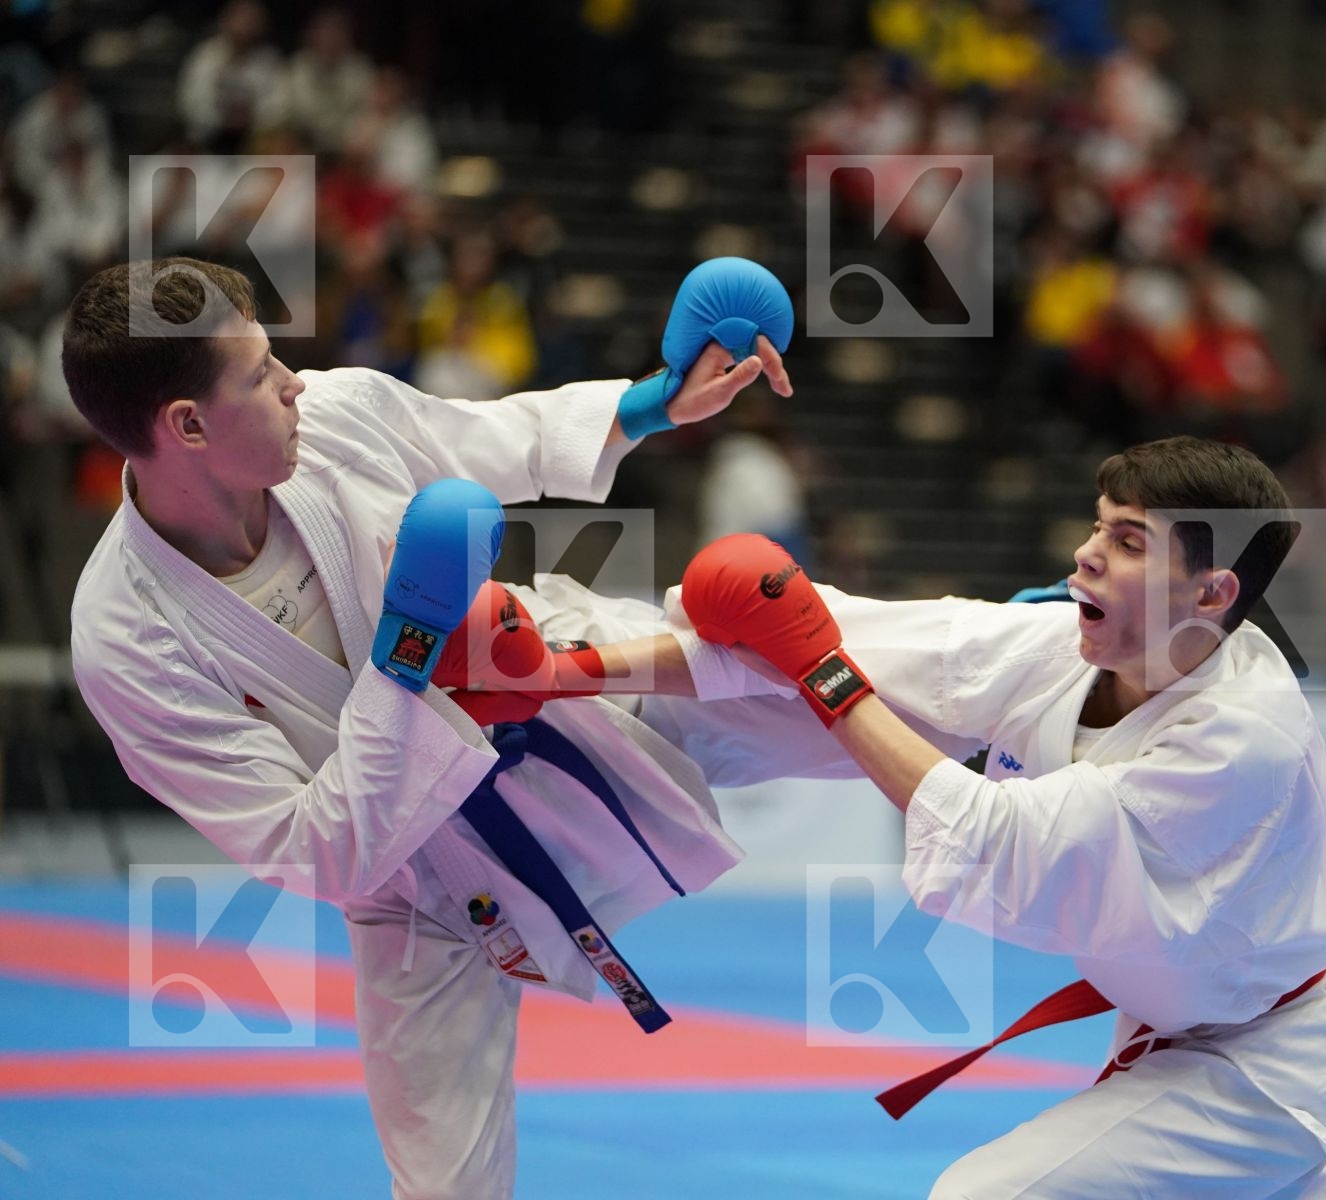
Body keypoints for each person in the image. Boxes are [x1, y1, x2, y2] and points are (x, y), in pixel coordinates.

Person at [62, 255, 792, 1198]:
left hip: (550, 695)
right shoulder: (125, 638)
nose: (293, 384)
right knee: (446, 1188)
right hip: (406, 886)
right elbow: (310, 850)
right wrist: (405, 658)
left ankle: (1036, 670)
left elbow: (507, 437)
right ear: (187, 425)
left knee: (811, 666)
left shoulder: (334, 415)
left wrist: (654, 403)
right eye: (258, 374)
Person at [613, 437, 1326, 1197]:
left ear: (1210, 595)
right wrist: (559, 669)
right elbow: (833, 636)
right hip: (1177, 1023)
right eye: (1098, 527)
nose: (1087, 554)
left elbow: (996, 834)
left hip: (1259, 1067)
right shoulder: (1069, 645)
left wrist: (827, 679)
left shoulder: (1240, 743)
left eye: (1129, 542)